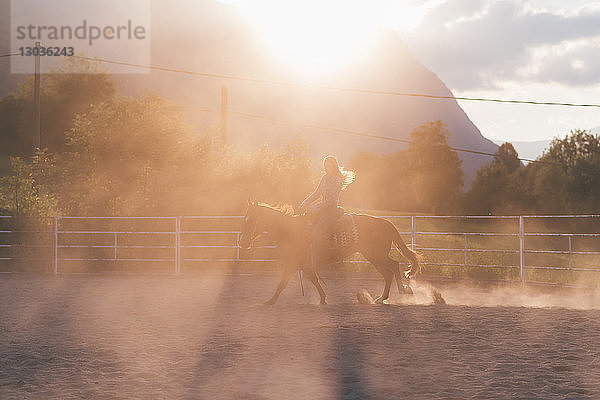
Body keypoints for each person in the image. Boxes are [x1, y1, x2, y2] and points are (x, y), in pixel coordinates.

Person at [299, 155, 354, 269]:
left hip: (331, 211)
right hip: (321, 210)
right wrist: (305, 203)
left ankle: (316, 263)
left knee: (316, 233)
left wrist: (315, 207)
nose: (327, 167)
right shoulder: (324, 178)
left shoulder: (337, 180)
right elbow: (316, 193)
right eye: (326, 165)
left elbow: (331, 200)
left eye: (329, 165)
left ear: (334, 166)